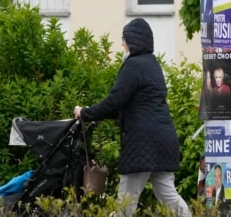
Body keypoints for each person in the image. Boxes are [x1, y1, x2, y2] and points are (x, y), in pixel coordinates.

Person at [74, 18, 191, 217]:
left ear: (132, 42)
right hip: (163, 140)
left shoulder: (133, 65)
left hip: (142, 143)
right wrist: (92, 112)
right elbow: (128, 105)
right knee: (168, 195)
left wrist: (84, 113)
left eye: (124, 40)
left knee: (126, 200)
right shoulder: (153, 64)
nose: (122, 44)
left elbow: (115, 101)